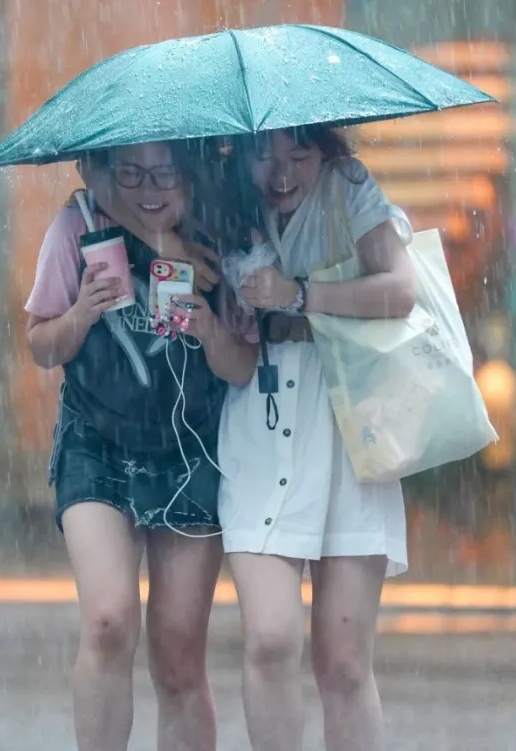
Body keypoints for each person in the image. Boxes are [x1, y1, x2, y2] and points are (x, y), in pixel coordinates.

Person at [25, 140, 258, 751]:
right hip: (96, 443)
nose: (148, 187)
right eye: (130, 172)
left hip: (190, 451)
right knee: (107, 622)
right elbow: (41, 345)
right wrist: (80, 313)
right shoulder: (77, 228)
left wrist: (207, 325)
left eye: (163, 173)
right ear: (101, 172)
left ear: (192, 172)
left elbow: (240, 369)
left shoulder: (218, 239)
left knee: (179, 652)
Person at [214, 126, 416, 751]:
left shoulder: (349, 189)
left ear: (325, 152)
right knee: (271, 640)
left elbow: (402, 290)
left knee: (343, 662)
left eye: (298, 153)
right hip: (260, 420)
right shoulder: (222, 208)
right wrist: (233, 312)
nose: (280, 171)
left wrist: (298, 295)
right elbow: (227, 344)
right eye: (262, 154)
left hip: (349, 421)